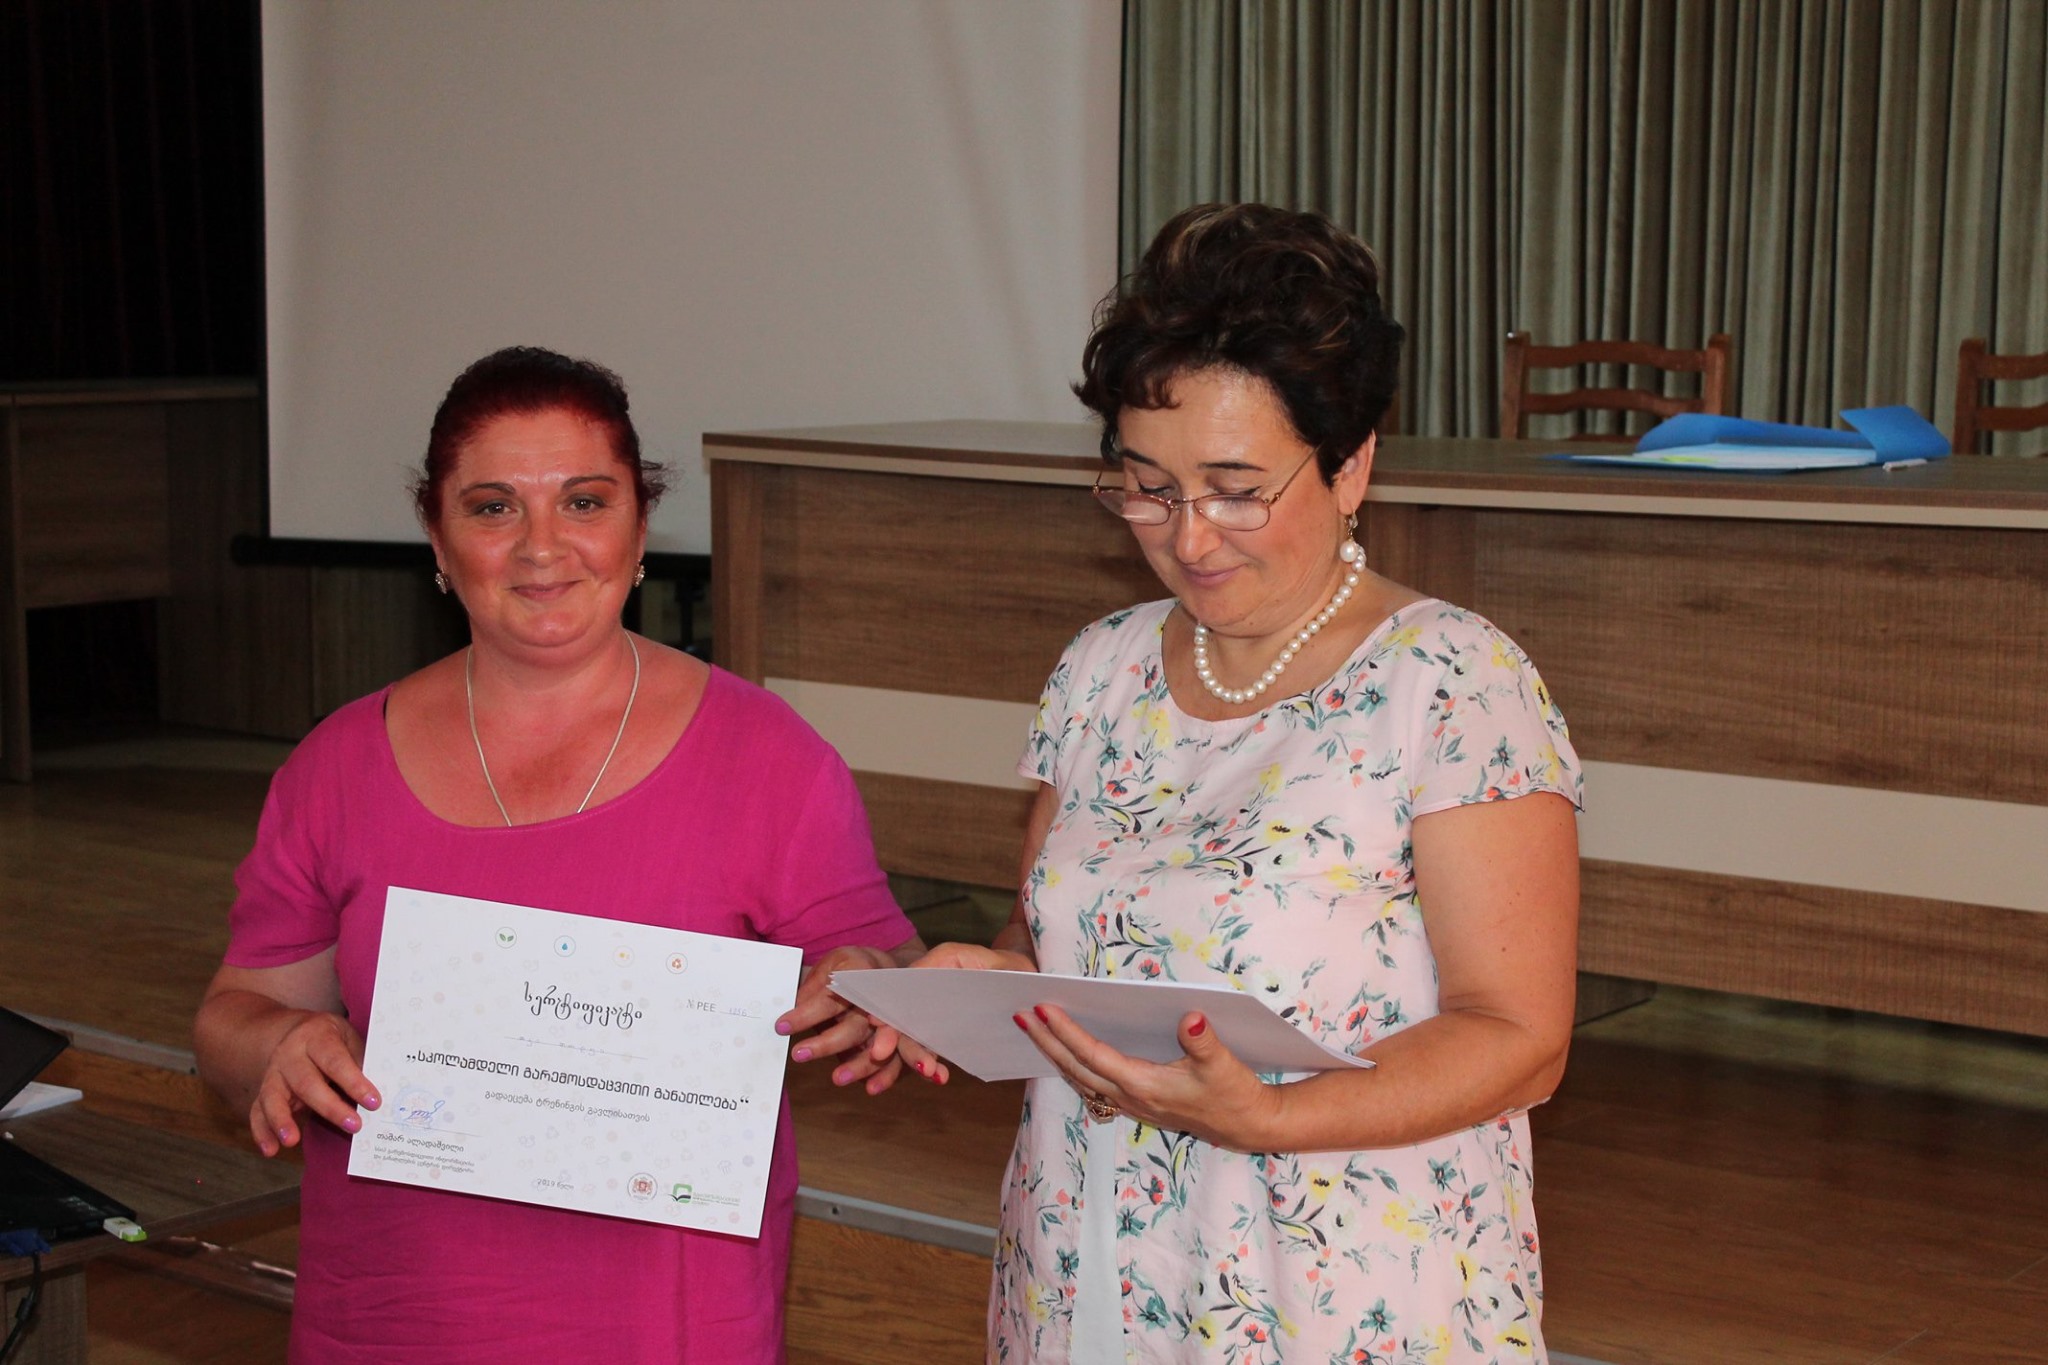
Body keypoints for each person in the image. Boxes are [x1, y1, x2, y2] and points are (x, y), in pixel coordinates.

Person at [889, 204, 1584, 1362]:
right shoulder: (1100, 667)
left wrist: (1272, 1114)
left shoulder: (1451, 681)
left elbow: (1517, 1036)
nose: (1189, 537)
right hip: (1089, 1242)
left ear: (1350, 465)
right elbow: (1053, 936)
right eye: (1147, 487)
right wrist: (989, 979)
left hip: (1338, 1278)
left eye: (1234, 488)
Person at [193, 346, 917, 1363]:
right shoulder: (338, 765)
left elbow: (885, 974)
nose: (543, 546)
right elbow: (232, 1017)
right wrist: (275, 1044)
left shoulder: (768, 760)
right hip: (391, 1318)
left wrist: (867, 986)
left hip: (663, 1328)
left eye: (584, 501)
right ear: (437, 537)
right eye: (493, 507)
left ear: (638, 525)